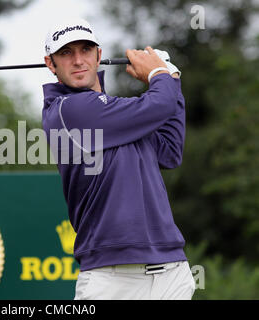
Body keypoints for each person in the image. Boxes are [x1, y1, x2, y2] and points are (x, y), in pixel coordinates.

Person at [41, 17, 196, 300]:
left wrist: (171, 78)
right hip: (111, 276)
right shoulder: (66, 110)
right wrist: (160, 74)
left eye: (85, 50)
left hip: (171, 269)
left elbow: (170, 151)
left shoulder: (119, 116)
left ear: (99, 56)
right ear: (50, 64)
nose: (78, 60)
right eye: (66, 53)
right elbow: (159, 103)